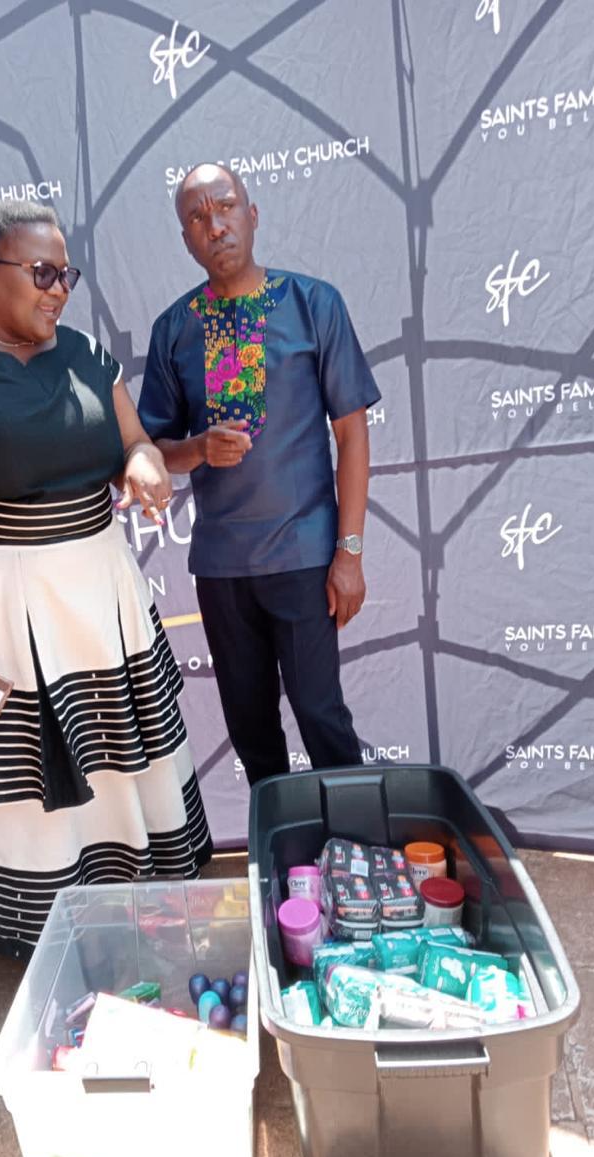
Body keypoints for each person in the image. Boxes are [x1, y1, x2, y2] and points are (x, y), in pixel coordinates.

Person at [0, 199, 212, 958]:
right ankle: (47, 941)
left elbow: (134, 442)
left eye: (66, 274)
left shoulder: (88, 355)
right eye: (41, 273)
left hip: (103, 602)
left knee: (122, 767)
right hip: (1, 611)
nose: (59, 289)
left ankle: (138, 915)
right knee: (27, 787)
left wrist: (141, 464)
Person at [138, 163, 381, 787]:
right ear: (186, 239)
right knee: (251, 730)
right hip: (223, 569)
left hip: (304, 558)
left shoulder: (313, 304)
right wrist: (198, 448)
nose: (215, 225)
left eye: (225, 207)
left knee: (321, 715)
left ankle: (353, 844)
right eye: (198, 217)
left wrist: (349, 552)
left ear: (252, 214)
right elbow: (153, 450)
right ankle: (282, 844)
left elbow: (352, 435)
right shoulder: (175, 329)